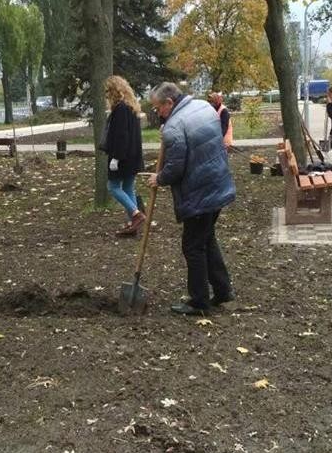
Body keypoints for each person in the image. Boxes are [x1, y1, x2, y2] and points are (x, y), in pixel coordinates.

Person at [146, 82, 236, 316]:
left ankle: (199, 301)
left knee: (193, 246)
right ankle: (223, 290)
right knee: (206, 239)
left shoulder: (174, 126)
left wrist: (159, 178)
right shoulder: (203, 107)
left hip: (200, 193)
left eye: (158, 108)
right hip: (218, 183)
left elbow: (175, 167)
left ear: (169, 103)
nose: (158, 113)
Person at [101, 75, 145, 236]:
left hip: (122, 157)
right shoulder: (132, 107)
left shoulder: (120, 109)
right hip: (133, 156)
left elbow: (121, 135)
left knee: (113, 187)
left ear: (114, 91)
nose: (106, 95)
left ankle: (136, 214)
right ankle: (134, 225)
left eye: (108, 91)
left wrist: (116, 158)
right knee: (128, 187)